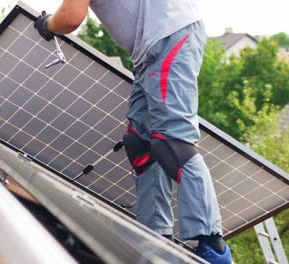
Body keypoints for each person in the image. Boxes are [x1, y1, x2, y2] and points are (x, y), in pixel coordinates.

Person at [34, 1, 232, 263]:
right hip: (153, 45)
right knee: (140, 143)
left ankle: (213, 246)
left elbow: (70, 17)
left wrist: (48, 24)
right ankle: (155, 240)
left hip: (169, 34)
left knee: (171, 141)